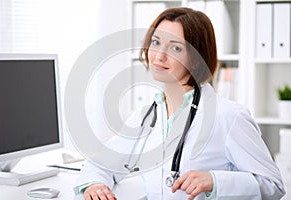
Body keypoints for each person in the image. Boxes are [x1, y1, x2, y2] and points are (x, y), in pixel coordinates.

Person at [74, 7, 285, 200]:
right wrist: (95, 185)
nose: (159, 56)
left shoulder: (228, 116)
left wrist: (214, 181)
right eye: (156, 43)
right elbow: (102, 163)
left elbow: (273, 185)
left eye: (175, 48)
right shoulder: (147, 115)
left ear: (196, 57)